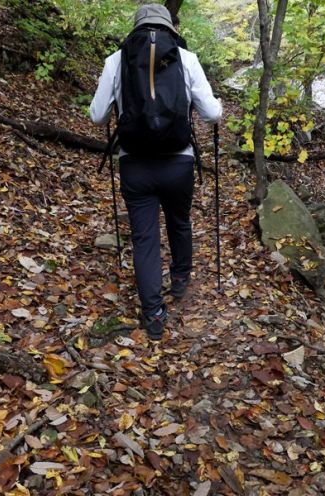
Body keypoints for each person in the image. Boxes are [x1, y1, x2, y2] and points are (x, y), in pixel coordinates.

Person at [90, 4, 221, 340]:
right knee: (179, 221)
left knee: (144, 238)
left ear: (136, 28)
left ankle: (153, 314)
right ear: (169, 27)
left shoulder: (116, 60)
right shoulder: (185, 58)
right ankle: (179, 279)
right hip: (179, 162)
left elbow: (97, 116)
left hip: (135, 164)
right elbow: (211, 113)